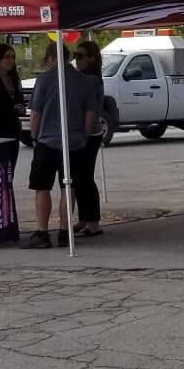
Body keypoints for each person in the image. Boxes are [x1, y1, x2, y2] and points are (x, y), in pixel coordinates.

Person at [24, 39, 100, 249]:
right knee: (69, 187)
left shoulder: (44, 80)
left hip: (47, 142)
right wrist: (84, 136)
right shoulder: (85, 81)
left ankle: (42, 232)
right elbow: (90, 114)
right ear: (68, 57)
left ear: (51, 58)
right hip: (74, 142)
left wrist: (34, 135)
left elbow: (36, 113)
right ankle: (65, 232)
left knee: (42, 188)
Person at [67, 38, 105, 239]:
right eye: (74, 56)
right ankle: (84, 219)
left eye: (80, 56)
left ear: (91, 58)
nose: (76, 60)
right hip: (84, 131)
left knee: (84, 177)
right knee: (79, 178)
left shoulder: (90, 78)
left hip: (89, 133)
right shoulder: (87, 76)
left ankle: (93, 222)